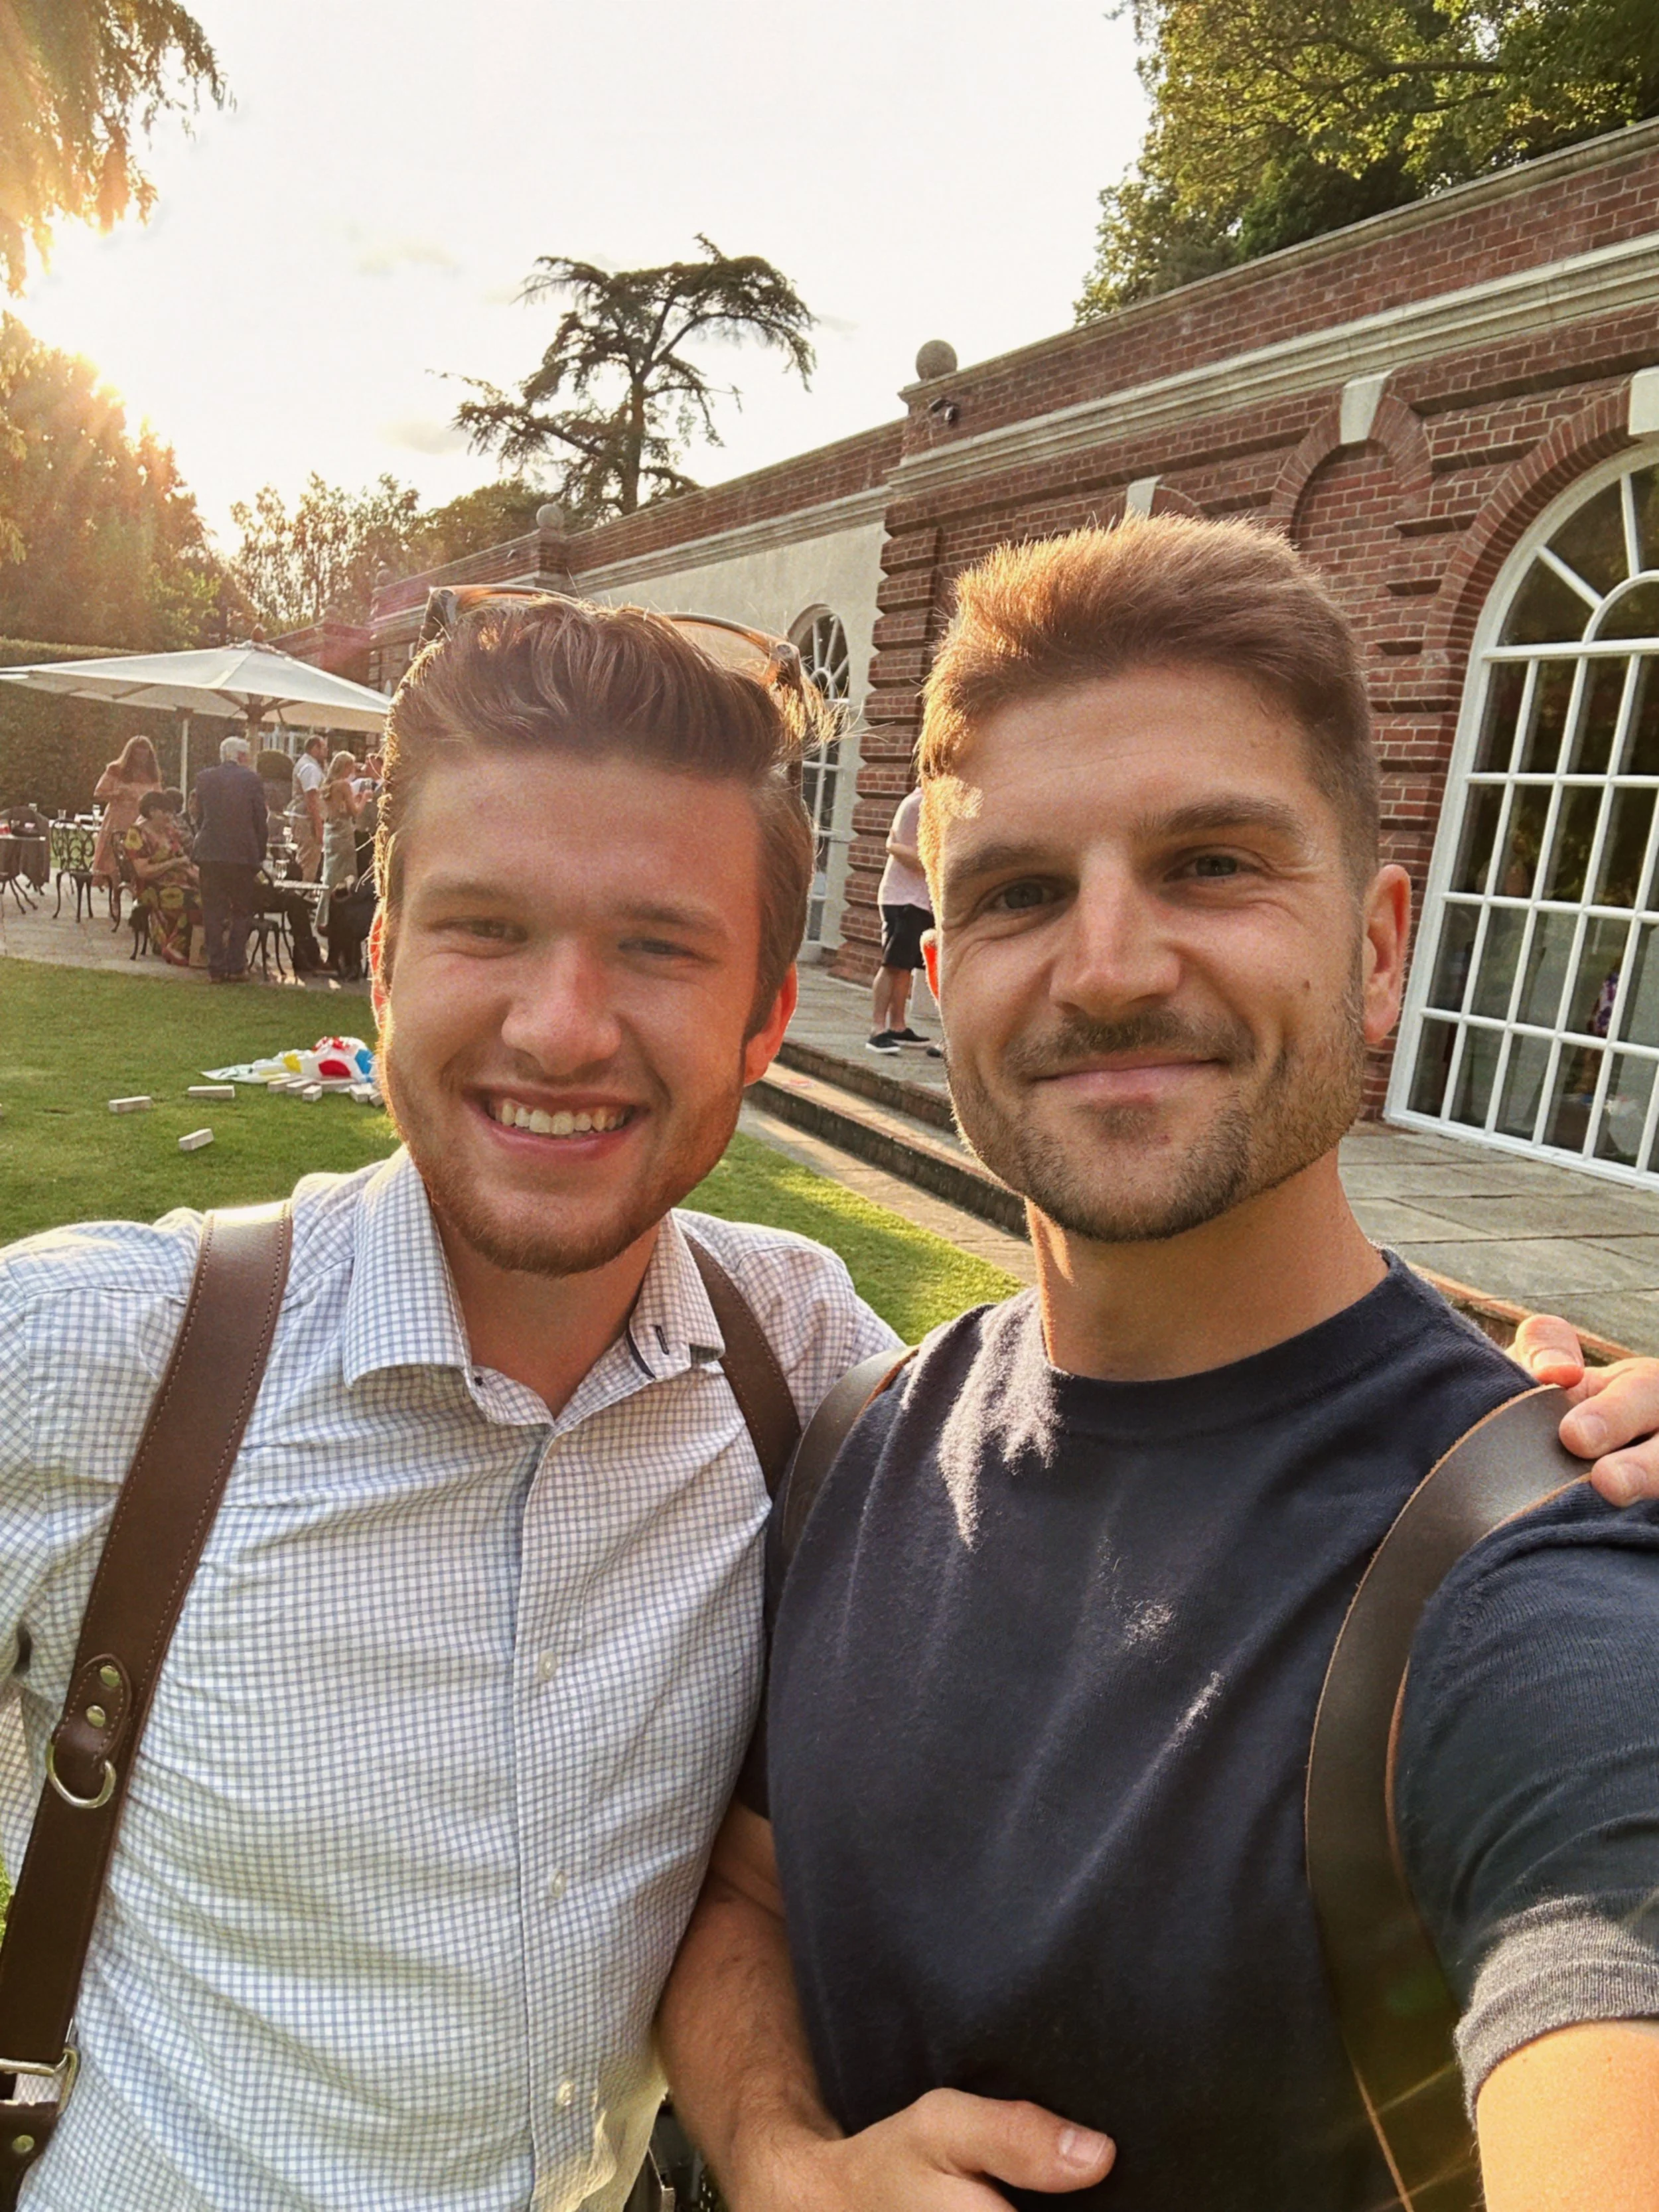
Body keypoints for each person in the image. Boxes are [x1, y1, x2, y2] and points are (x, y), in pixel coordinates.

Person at [658, 520, 1659, 2212]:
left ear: (1380, 944)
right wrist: (774, 2152)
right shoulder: (857, 1437)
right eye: (1019, 894)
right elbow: (748, 1890)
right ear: (943, 970)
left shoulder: (1530, 1579)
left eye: (1210, 863)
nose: (1107, 967)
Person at [0, 595, 895, 2212]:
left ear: (765, 1018)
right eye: (487, 927)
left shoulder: (802, 1353)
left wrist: (1483, 1458)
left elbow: (1106, 1468)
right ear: (382, 964)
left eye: (657, 947)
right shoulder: (91, 1353)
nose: (561, 1028)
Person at [867, 785, 938, 1055]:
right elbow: (907, 853)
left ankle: (898, 1026)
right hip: (903, 899)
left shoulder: (926, 803)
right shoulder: (919, 804)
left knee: (905, 966)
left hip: (915, 900)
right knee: (893, 964)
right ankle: (877, 1030)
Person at [192, 734, 269, 984]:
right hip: (242, 855)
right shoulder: (253, 780)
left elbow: (199, 815)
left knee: (212, 911)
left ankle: (215, 967)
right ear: (243, 756)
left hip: (210, 852)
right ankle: (236, 965)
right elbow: (260, 819)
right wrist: (260, 853)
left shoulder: (205, 778)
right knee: (241, 910)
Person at [121, 787, 201, 968]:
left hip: (178, 882)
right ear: (152, 811)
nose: (169, 817)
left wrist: (200, 878)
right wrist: (172, 864)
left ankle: (184, 945)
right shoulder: (137, 834)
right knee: (197, 901)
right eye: (165, 812)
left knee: (210, 896)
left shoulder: (169, 832)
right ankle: (173, 946)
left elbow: (183, 861)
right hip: (151, 887)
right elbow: (143, 872)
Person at [90, 734, 161, 891]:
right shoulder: (116, 769)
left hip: (141, 822)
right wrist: (118, 794)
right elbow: (99, 793)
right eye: (137, 754)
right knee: (115, 860)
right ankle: (114, 895)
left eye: (145, 754)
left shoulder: (152, 775)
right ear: (130, 754)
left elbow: (158, 797)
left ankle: (139, 893)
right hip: (118, 819)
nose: (141, 758)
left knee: (138, 859)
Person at [316, 747, 368, 933]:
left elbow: (339, 810)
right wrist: (364, 799)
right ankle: (340, 917)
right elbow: (354, 813)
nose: (353, 771)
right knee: (346, 876)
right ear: (345, 767)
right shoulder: (344, 786)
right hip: (344, 833)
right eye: (351, 767)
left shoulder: (328, 786)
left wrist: (354, 800)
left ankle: (323, 917)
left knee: (330, 875)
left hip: (331, 832)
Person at [287, 732, 328, 879]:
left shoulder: (307, 765)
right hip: (307, 820)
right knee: (308, 863)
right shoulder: (310, 768)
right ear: (314, 749)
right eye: (324, 748)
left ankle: (300, 895)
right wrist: (318, 826)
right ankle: (302, 897)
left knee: (307, 860)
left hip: (304, 818)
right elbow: (312, 798)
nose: (326, 752)